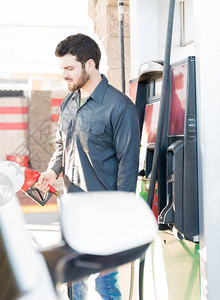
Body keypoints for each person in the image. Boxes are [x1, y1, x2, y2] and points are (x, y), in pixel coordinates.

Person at [35, 33, 140, 299]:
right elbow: (61, 146)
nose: (65, 75)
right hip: (74, 211)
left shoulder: (120, 107)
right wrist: (52, 171)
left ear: (90, 65)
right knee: (74, 284)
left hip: (106, 212)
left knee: (105, 286)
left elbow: (128, 167)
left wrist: (121, 216)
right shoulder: (68, 103)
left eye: (70, 68)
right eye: (62, 69)